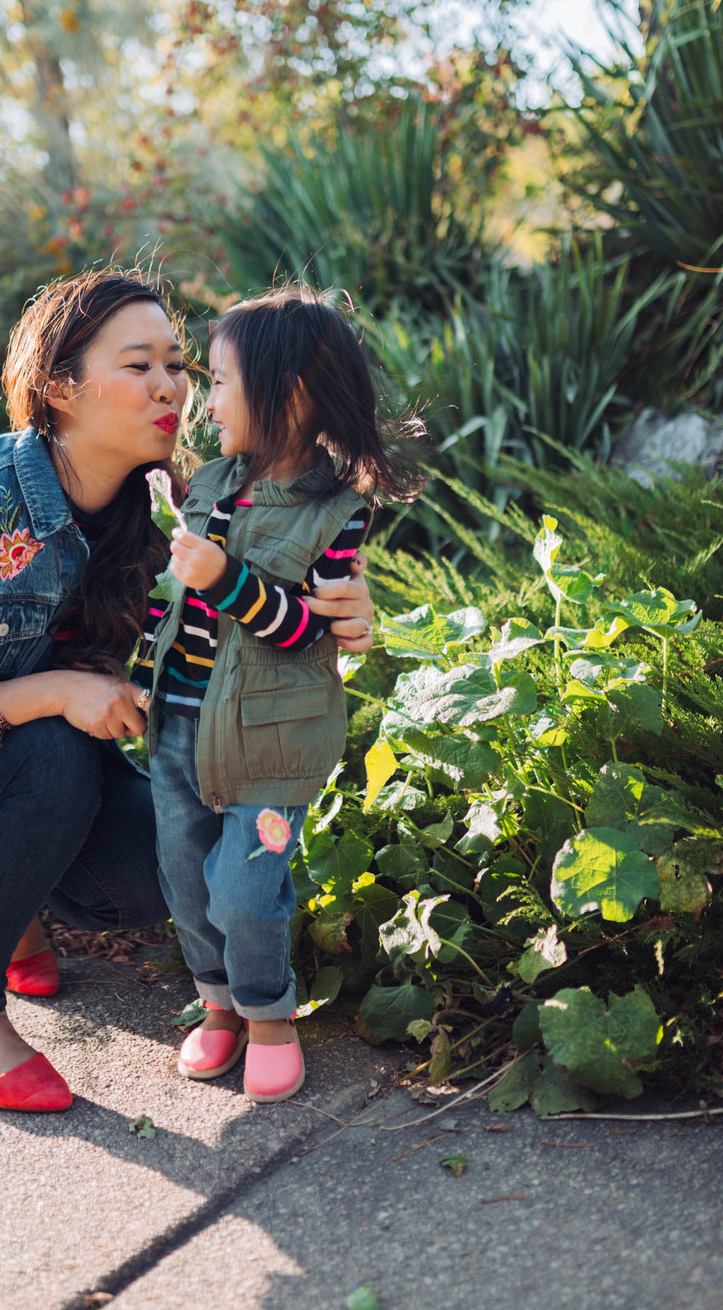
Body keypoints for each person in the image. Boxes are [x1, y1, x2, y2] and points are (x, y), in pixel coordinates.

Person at [0, 270, 376, 1113]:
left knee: (162, 871)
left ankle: (5, 907)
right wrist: (50, 691)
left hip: (21, 771)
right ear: (60, 386)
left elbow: (276, 587)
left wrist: (351, 613)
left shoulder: (175, 508)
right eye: (138, 365)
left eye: (179, 364)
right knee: (55, 752)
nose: (172, 385)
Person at [133, 287, 423, 1105]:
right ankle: (217, 1003)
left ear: (288, 392)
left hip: (269, 744)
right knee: (185, 876)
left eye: (220, 381)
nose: (205, 398)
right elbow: (167, 596)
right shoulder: (214, 482)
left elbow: (306, 634)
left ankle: (267, 1014)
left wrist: (224, 579)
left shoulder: (336, 514)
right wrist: (135, 678)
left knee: (245, 886)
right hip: (179, 726)